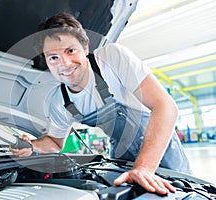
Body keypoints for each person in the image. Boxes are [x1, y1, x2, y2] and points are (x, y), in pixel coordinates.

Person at [10, 13, 191, 195]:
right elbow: (55, 143)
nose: (64, 63)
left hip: (162, 153)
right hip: (122, 160)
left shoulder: (111, 59)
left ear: (85, 47)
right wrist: (32, 145)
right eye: (53, 57)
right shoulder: (60, 101)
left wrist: (144, 167)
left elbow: (165, 106)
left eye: (70, 51)